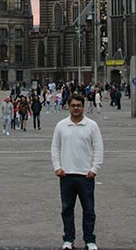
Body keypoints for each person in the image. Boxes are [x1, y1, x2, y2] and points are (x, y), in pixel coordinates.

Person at [51, 94, 104, 250]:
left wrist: (94, 169)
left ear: (83, 106)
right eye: (73, 105)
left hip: (85, 175)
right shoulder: (61, 125)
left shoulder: (92, 125)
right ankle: (68, 239)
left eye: (78, 105)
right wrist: (57, 167)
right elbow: (55, 148)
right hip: (66, 174)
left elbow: (99, 148)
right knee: (67, 209)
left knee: (89, 210)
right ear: (68, 106)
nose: (75, 108)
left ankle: (89, 240)